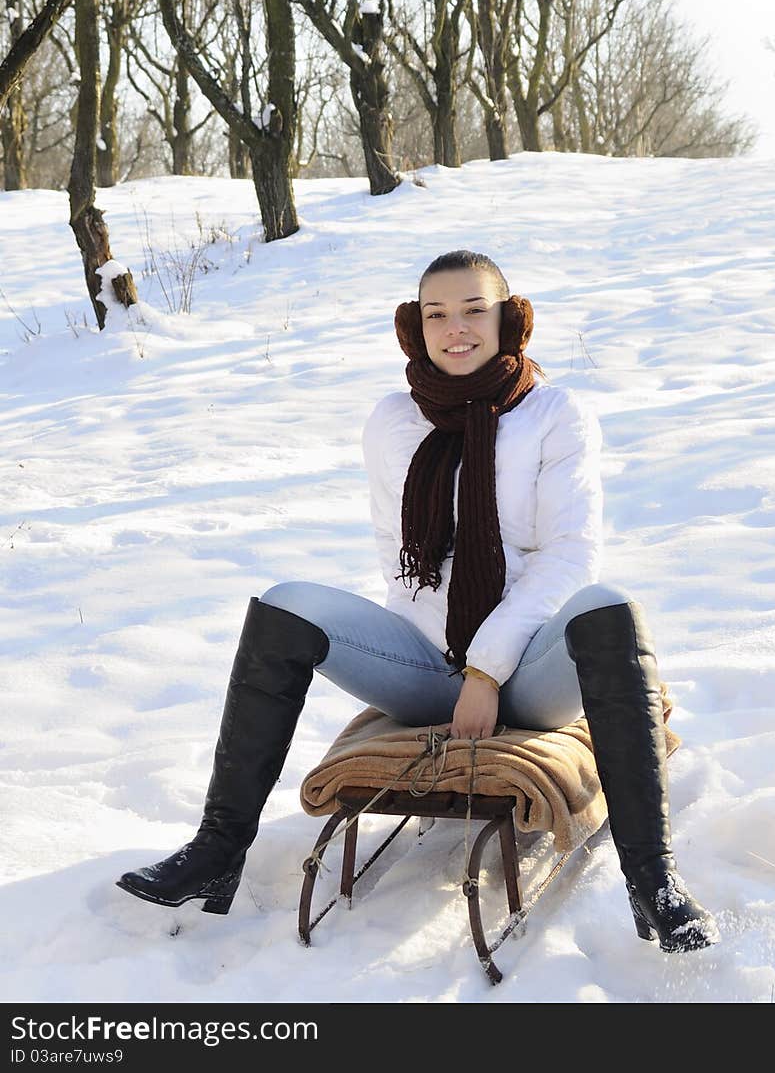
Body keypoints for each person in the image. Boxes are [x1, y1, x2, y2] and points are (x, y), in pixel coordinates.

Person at [117, 249, 719, 952]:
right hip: (426, 665)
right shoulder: (394, 422)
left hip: (529, 671)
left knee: (609, 605)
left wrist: (488, 669)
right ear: (415, 326)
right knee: (284, 604)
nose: (454, 327)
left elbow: (569, 556)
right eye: (437, 313)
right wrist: (454, 668)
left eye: (473, 310)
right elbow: (400, 565)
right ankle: (217, 853)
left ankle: (655, 883)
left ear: (508, 320)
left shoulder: (556, 414)